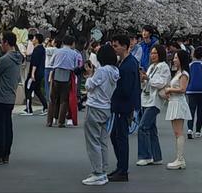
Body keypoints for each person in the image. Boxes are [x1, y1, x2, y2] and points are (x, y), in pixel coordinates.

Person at [81, 43, 120, 187]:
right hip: (106, 107)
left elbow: (89, 86)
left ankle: (97, 172)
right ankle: (102, 170)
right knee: (102, 140)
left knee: (92, 141)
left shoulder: (102, 71)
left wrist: (89, 75)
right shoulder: (115, 71)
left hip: (95, 106)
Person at [108, 33, 141, 183]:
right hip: (121, 106)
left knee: (121, 138)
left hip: (123, 105)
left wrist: (113, 91)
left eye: (116, 46)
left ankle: (123, 170)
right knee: (115, 136)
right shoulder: (124, 62)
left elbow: (126, 89)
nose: (114, 49)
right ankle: (120, 166)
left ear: (125, 46)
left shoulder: (128, 65)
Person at [0, 31, 23, 164]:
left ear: (6, 42)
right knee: (7, 125)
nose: (1, 44)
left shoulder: (5, 59)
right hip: (10, 96)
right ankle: (6, 154)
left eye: (2, 41)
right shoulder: (18, 58)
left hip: (0, 96)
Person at [136, 43, 170, 167]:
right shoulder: (151, 67)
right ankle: (157, 156)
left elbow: (161, 83)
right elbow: (146, 84)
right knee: (151, 128)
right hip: (146, 98)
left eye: (155, 53)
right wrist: (143, 79)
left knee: (143, 127)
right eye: (151, 53)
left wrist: (148, 79)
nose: (153, 55)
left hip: (155, 101)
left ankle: (145, 156)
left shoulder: (163, 67)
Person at [162, 49, 190, 169]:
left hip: (178, 103)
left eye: (176, 58)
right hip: (174, 102)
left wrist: (170, 90)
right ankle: (179, 158)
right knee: (176, 132)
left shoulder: (183, 74)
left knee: (178, 132)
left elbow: (183, 89)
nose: (174, 60)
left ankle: (180, 159)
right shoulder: (178, 73)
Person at [48, 35, 82, 127]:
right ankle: (61, 122)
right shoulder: (75, 54)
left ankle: (49, 121)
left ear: (63, 42)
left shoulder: (57, 51)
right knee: (64, 100)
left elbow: (51, 63)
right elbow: (75, 66)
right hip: (67, 76)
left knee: (53, 99)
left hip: (56, 75)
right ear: (72, 43)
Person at [24, 33, 47, 115]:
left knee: (28, 88)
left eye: (33, 38)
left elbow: (35, 63)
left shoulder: (37, 50)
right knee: (37, 90)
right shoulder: (42, 49)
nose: (32, 40)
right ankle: (45, 106)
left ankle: (28, 109)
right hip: (40, 73)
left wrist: (32, 74)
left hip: (35, 73)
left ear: (37, 39)